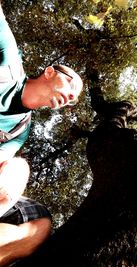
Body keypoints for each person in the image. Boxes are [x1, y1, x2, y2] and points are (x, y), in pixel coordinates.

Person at [0, 2, 83, 266]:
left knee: (39, 220)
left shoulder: (20, 131)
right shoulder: (9, 61)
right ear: (49, 71)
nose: (70, 98)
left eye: (73, 100)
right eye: (71, 86)